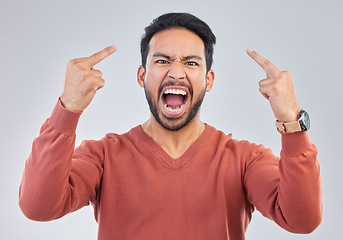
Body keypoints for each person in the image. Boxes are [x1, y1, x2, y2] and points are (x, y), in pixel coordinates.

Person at [19, 13, 322, 240]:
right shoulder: (103, 157)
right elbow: (38, 206)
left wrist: (292, 121)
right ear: (142, 76)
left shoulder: (244, 159)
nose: (176, 73)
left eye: (191, 63)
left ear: (209, 80)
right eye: (162, 61)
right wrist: (67, 109)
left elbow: (302, 219)